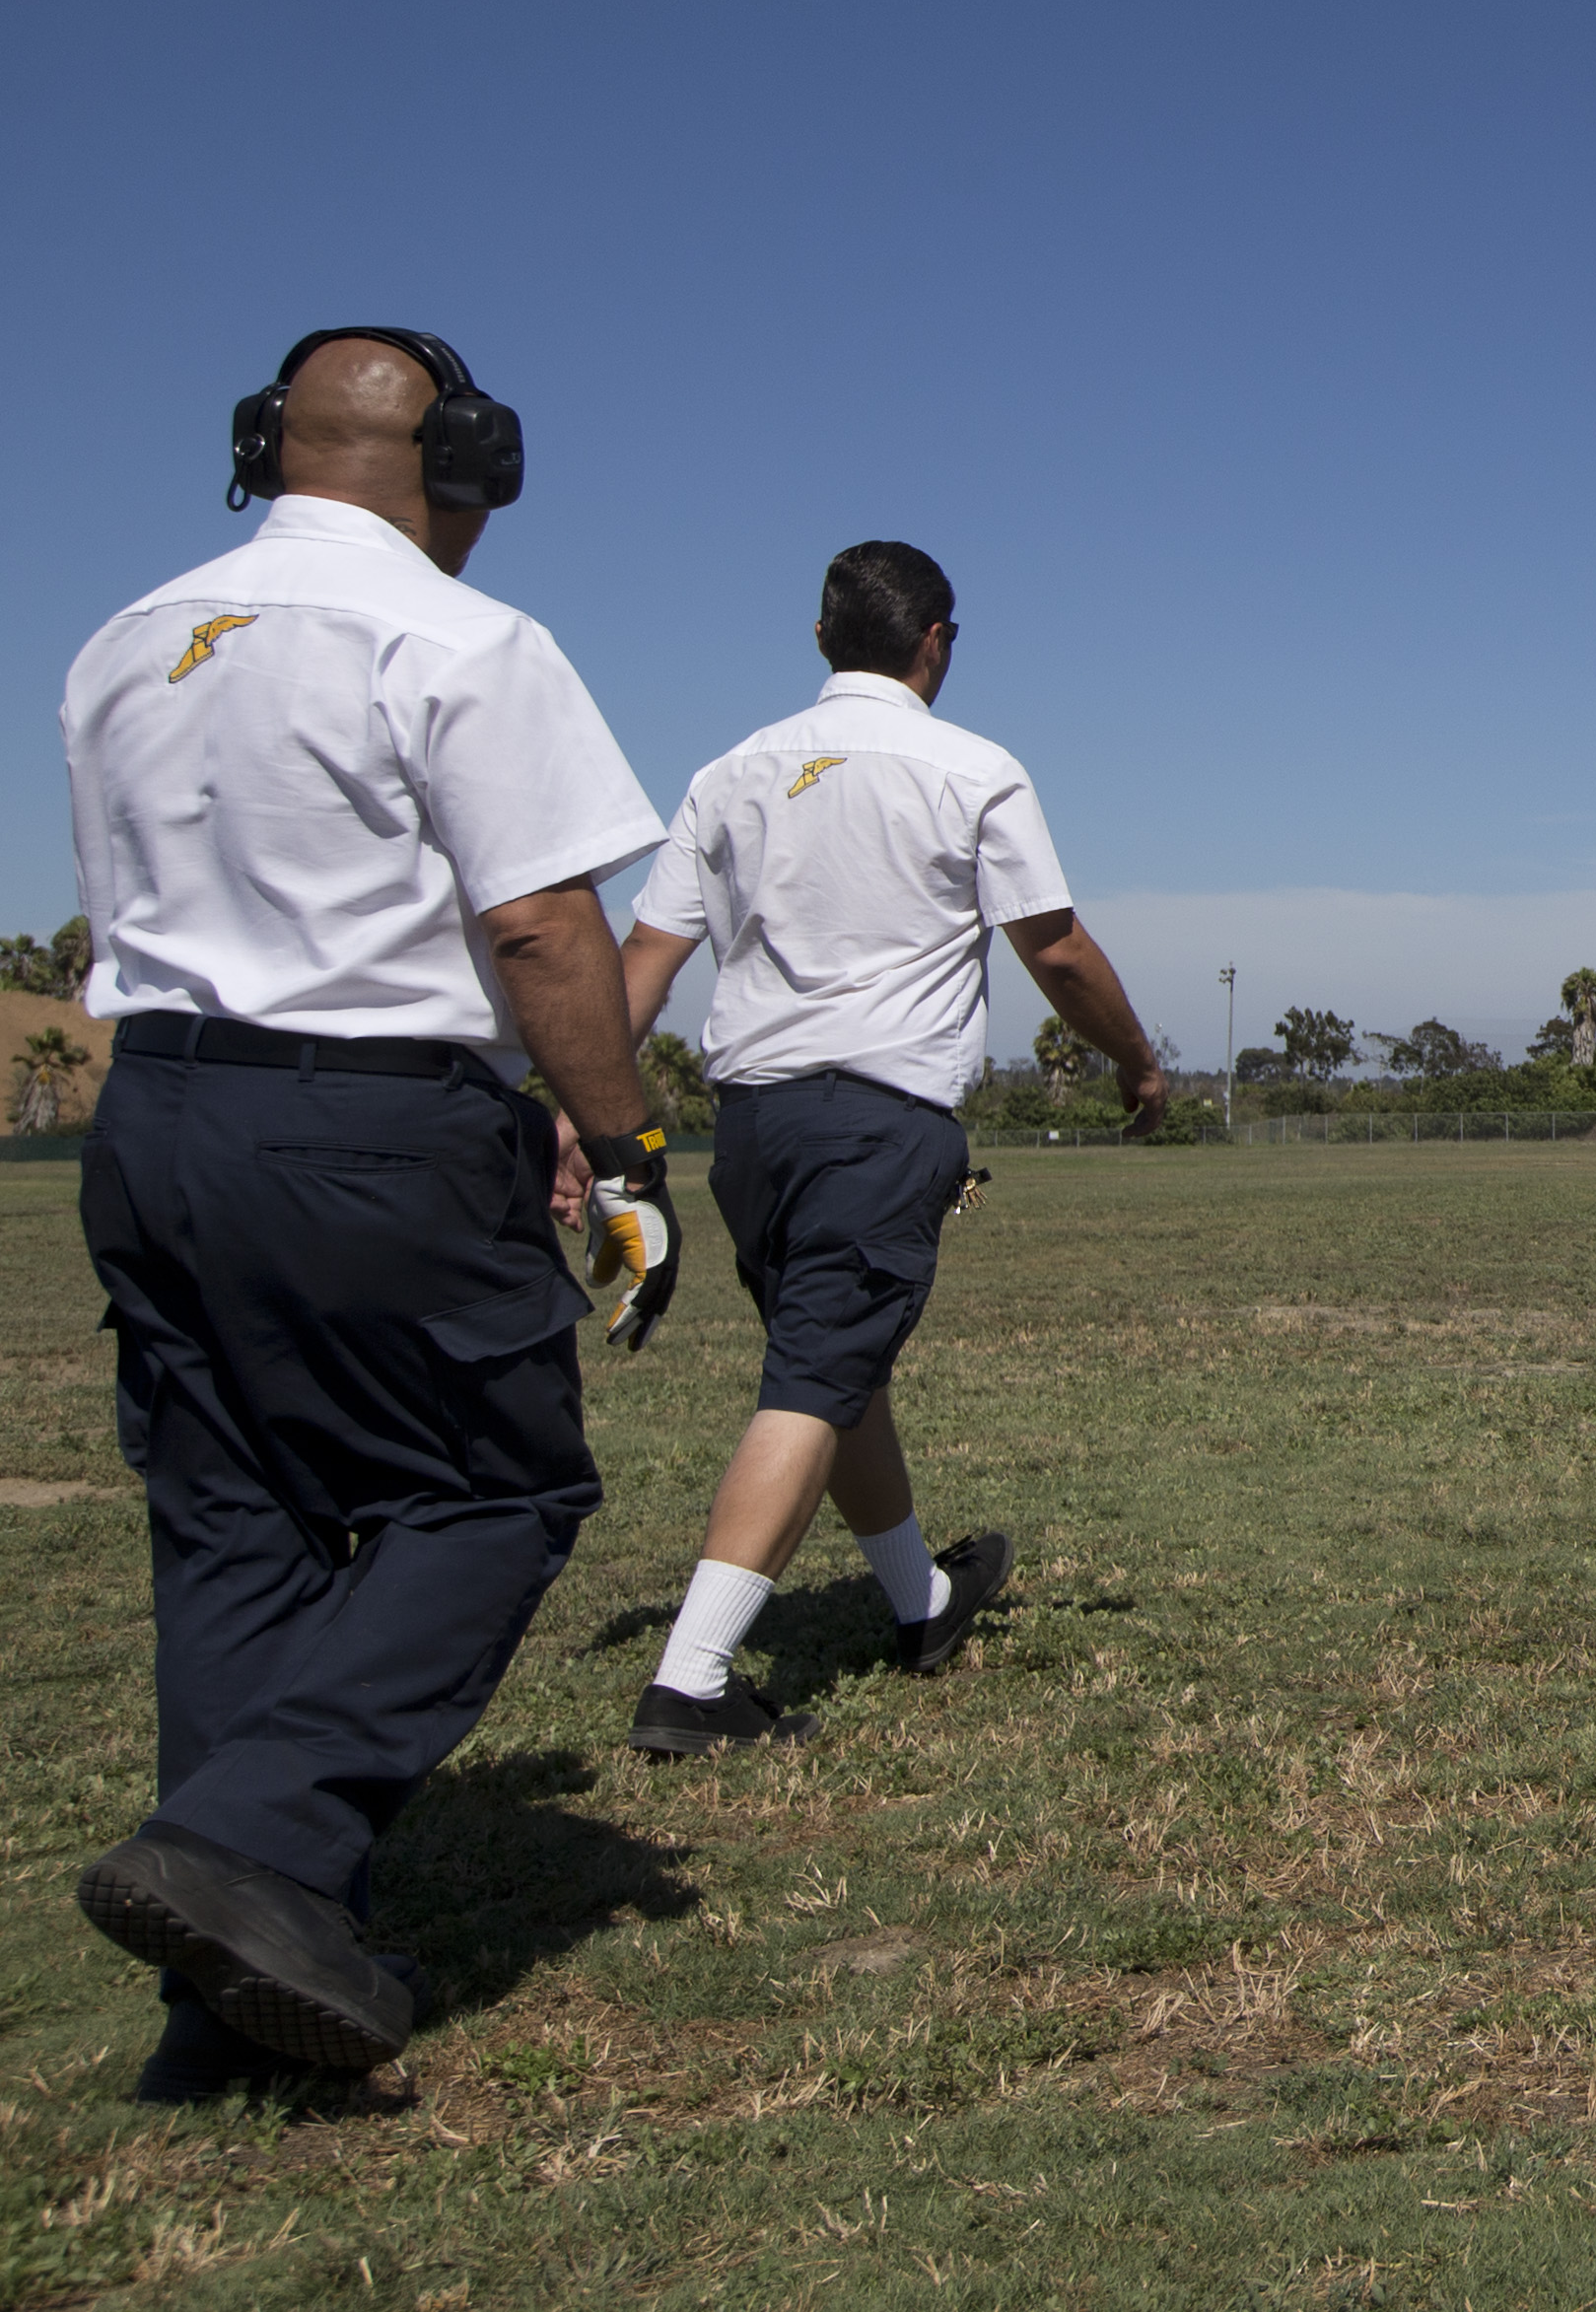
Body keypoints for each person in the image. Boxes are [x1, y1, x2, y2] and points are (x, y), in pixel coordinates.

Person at [60, 329, 669, 2099]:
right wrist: (619, 1147)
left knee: (236, 1523)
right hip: (368, 1129)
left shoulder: (125, 644)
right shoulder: (458, 637)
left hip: (161, 1109)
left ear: (267, 448)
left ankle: (226, 2002)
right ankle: (248, 1844)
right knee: (493, 1485)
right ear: (461, 459)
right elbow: (543, 926)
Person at [609, 541, 1164, 1760]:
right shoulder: (971, 768)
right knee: (813, 1380)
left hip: (750, 1130)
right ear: (937, 641)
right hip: (877, 1120)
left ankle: (920, 1603)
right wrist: (1138, 1060)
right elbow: (1055, 948)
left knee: (838, 1364)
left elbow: (643, 962)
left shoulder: (727, 773)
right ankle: (693, 1677)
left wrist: (581, 1107)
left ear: (820, 640)